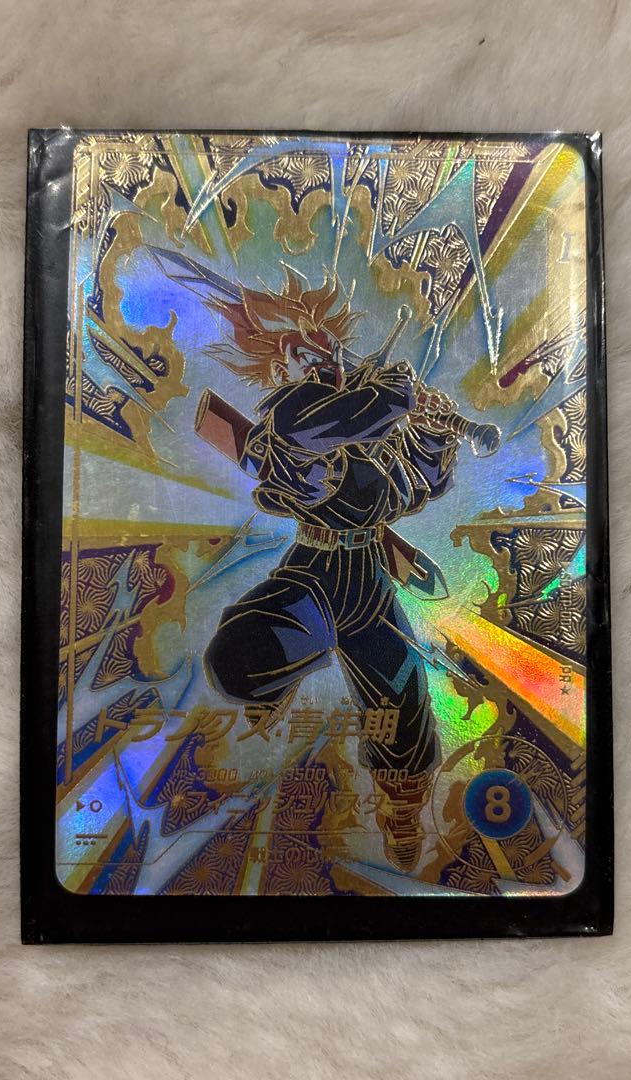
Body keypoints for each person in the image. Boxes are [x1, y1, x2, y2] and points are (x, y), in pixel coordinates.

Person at [202, 272, 461, 871]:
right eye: (301, 349)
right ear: (281, 364)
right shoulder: (292, 419)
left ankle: (401, 810)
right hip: (312, 576)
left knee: (402, 700)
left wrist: (430, 435)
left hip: (368, 580)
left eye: (325, 345)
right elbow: (320, 429)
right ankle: (279, 678)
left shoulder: (366, 430)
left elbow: (411, 488)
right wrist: (393, 398)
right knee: (237, 659)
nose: (320, 356)